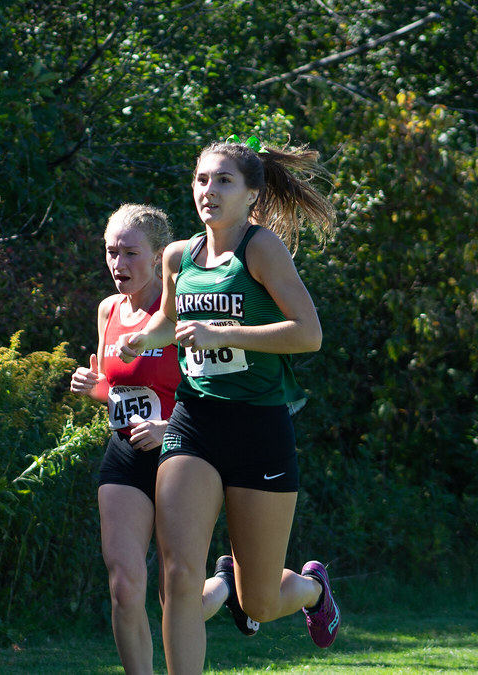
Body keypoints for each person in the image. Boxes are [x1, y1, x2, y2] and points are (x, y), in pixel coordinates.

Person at [115, 136, 341, 674]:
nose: (208, 190)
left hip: (259, 429)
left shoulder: (260, 249)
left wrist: (224, 333)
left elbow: (308, 334)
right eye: (201, 179)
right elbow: (170, 322)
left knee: (258, 601)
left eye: (223, 181)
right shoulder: (178, 256)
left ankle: (312, 589)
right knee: (178, 576)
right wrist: (144, 339)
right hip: (193, 423)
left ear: (251, 194)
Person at [70, 203, 258, 675]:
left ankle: (226, 586)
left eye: (130, 253)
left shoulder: (182, 311)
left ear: (158, 258)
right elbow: (119, 390)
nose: (118, 263)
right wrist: (95, 389)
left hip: (183, 453)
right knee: (123, 585)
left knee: (177, 595)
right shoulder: (108, 311)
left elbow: (220, 393)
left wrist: (169, 428)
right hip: (125, 453)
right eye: (111, 252)